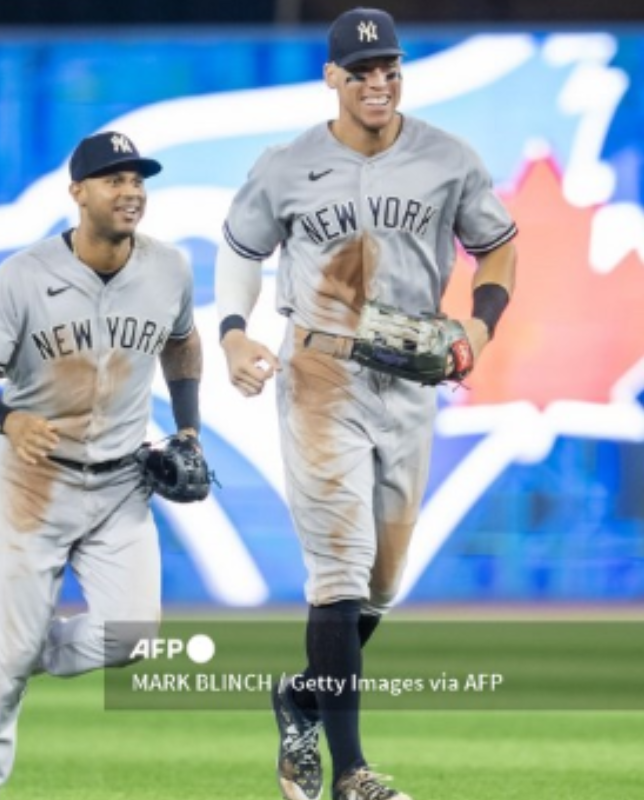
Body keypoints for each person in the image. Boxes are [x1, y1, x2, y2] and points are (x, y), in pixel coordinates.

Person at [216, 9, 516, 800]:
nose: (378, 82)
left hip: (412, 377)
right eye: (362, 70)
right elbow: (242, 250)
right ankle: (352, 771)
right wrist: (233, 333)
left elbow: (497, 244)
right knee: (340, 575)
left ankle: (302, 698)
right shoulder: (288, 165)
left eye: (389, 68)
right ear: (332, 79)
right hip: (321, 373)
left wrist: (480, 330)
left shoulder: (448, 158)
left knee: (382, 587)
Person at [0, 131, 204, 800]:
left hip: (122, 482)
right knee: (6, 666)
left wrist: (188, 429)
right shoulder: (22, 277)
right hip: (34, 482)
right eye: (115, 179)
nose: (131, 191)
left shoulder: (169, 268)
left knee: (132, 637)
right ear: (78, 193)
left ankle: (23, 645)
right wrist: (8, 419)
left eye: (138, 179)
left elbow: (182, 345)